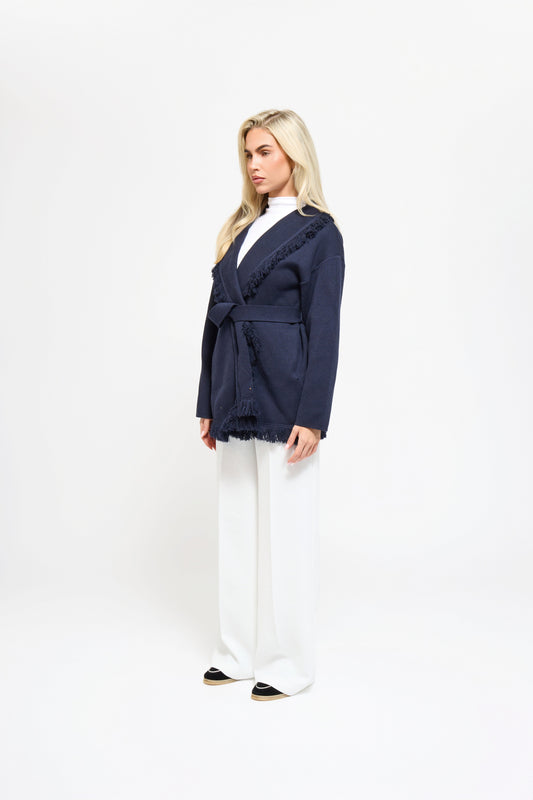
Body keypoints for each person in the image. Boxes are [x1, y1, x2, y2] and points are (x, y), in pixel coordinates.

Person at [196, 108, 345, 701]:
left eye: (265, 152)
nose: (254, 165)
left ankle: (288, 663)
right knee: (236, 524)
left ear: (293, 154)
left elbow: (325, 327)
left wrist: (313, 415)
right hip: (233, 389)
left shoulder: (320, 232)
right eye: (248, 154)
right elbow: (215, 319)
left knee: (288, 529)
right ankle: (236, 652)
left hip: (287, 390)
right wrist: (207, 398)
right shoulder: (239, 228)